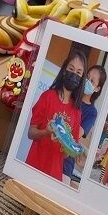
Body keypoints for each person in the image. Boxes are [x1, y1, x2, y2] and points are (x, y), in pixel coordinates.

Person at [25, 51, 86, 181]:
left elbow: (66, 154)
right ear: (64, 71)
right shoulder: (47, 96)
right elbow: (30, 133)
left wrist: (71, 149)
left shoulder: (77, 112)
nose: (74, 74)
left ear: (81, 79)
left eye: (78, 72)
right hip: (33, 166)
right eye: (71, 69)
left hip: (54, 175)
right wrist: (46, 132)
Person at [64, 64, 107, 186]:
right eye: (87, 77)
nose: (87, 81)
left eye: (92, 81)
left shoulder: (91, 112)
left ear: (97, 88)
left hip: (66, 158)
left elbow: (77, 134)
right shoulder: (69, 95)